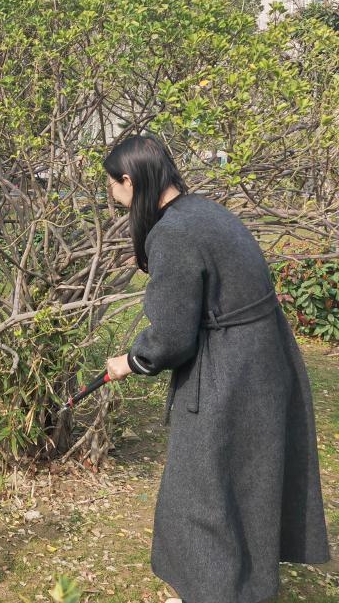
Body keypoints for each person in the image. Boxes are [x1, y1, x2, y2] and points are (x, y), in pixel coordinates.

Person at [102, 134, 330, 603]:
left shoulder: (173, 233)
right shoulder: (207, 211)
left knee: (201, 495)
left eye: (112, 186)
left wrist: (130, 361)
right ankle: (237, 586)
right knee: (247, 481)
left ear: (129, 180)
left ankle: (213, 592)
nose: (112, 196)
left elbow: (171, 337)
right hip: (265, 360)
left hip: (232, 373)